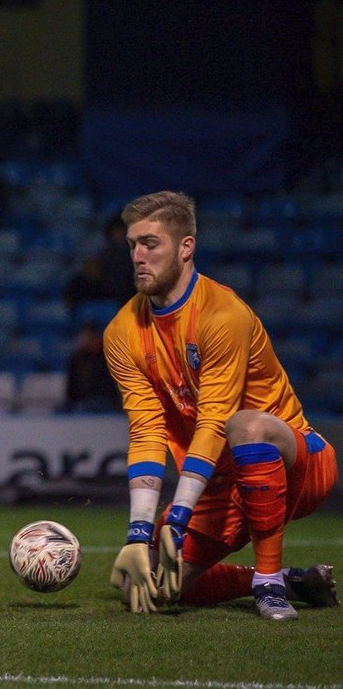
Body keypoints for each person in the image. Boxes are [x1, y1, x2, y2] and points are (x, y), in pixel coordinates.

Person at [104, 191, 338, 620]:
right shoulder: (121, 332)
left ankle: (269, 584)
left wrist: (177, 516)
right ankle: (294, 580)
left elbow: (215, 421)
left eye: (150, 244)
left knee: (245, 426)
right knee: (151, 590)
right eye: (132, 244)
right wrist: (138, 533)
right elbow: (147, 431)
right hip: (218, 486)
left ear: (186, 247)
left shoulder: (222, 313)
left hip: (296, 463)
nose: (138, 255)